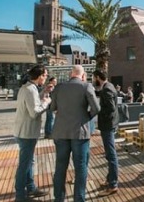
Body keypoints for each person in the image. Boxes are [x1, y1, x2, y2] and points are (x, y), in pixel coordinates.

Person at [50, 65, 100, 202]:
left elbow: (52, 107)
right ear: (83, 75)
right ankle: (79, 199)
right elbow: (96, 108)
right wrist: (86, 117)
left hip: (61, 132)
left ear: (70, 74)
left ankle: (58, 198)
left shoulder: (59, 87)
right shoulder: (86, 86)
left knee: (60, 167)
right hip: (80, 133)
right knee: (80, 167)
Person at [13, 65, 51, 202]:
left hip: (22, 131)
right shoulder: (30, 90)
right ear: (40, 76)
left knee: (29, 161)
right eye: (45, 75)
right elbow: (34, 112)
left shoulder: (28, 88)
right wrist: (46, 103)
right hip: (27, 133)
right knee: (25, 164)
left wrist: (43, 94)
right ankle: (20, 196)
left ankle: (31, 187)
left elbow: (32, 103)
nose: (46, 78)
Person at [93, 70, 119, 197]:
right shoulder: (109, 86)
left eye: (94, 78)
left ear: (98, 77)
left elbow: (110, 107)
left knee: (111, 154)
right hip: (111, 124)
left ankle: (113, 184)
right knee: (110, 154)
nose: (93, 80)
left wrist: (98, 111)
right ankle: (110, 179)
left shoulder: (107, 89)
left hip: (107, 126)